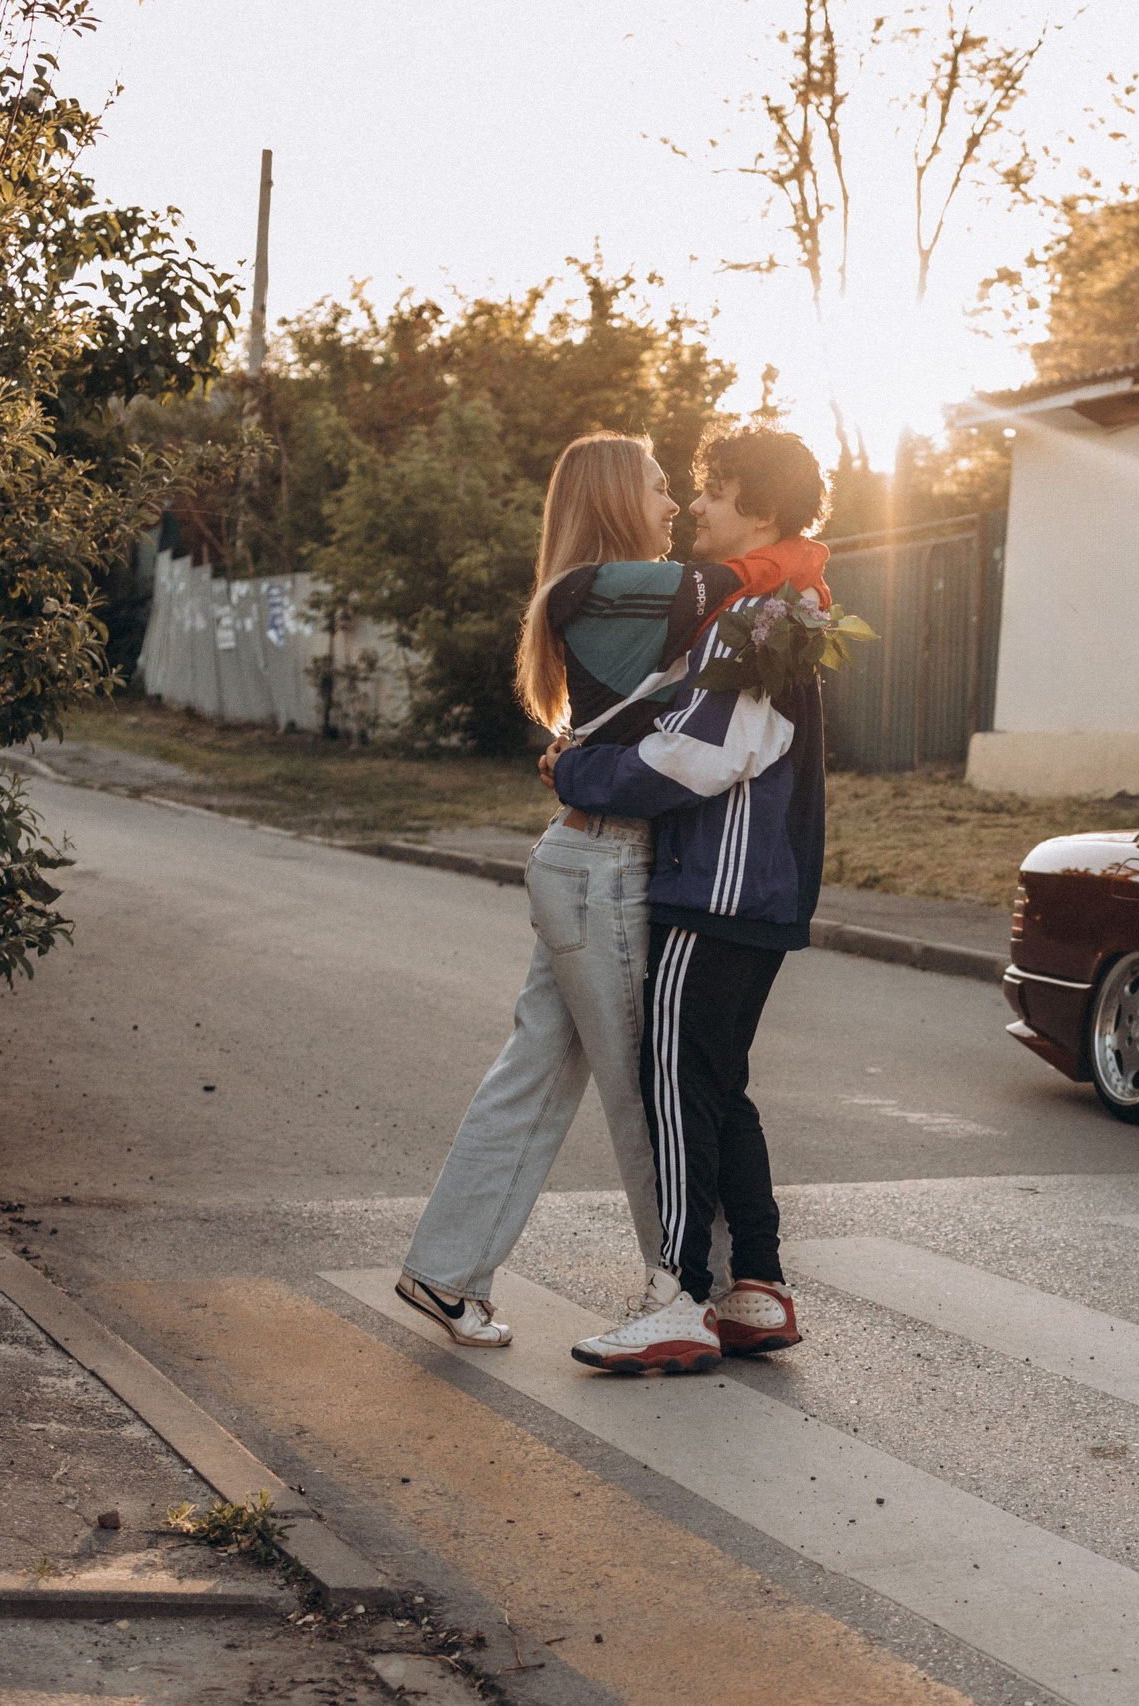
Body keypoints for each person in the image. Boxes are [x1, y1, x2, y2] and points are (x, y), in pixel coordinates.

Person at [393, 431, 829, 1349]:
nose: (677, 506)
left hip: (591, 859)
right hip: (604, 862)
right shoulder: (603, 589)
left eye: (689, 489)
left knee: (539, 1071)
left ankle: (445, 1267)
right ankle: (686, 1293)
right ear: (613, 501)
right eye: (662, 488)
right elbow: (758, 574)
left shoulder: (638, 596)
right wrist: (800, 562)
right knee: (651, 1086)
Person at [551, 427, 832, 1375]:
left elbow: (697, 756)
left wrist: (577, 770)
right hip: (759, 889)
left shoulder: (755, 616)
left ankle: (676, 1297)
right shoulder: (790, 604)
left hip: (718, 888)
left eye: (711, 491)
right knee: (719, 1084)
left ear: (758, 503)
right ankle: (757, 1287)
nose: (698, 509)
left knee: (671, 1083)